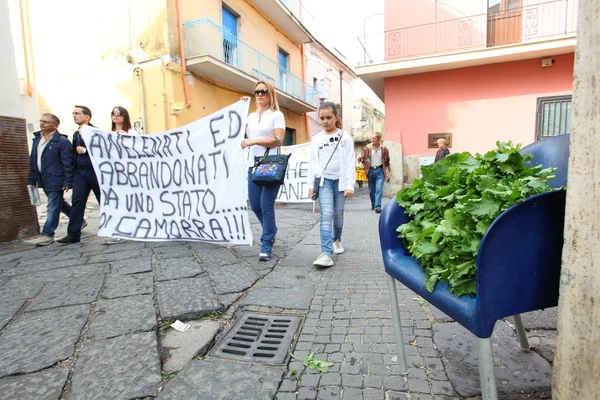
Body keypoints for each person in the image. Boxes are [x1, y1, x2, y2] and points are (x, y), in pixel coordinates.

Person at [241, 80, 285, 262]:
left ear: (270, 94)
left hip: (271, 165)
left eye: (264, 91)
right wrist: (240, 108)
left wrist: (254, 141)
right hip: (253, 165)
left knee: (266, 205)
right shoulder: (250, 117)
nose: (259, 94)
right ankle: (271, 229)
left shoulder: (276, 115)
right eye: (257, 91)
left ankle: (266, 243)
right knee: (255, 204)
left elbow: (278, 140)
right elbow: (235, 130)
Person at [308, 102, 356, 268]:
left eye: (329, 117)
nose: (325, 121)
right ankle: (326, 253)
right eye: (322, 118)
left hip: (341, 183)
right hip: (324, 182)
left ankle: (337, 240)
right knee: (326, 215)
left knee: (338, 214)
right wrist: (310, 185)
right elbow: (312, 163)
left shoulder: (345, 137)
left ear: (336, 117)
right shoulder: (316, 139)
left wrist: (350, 184)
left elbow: (351, 162)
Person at [27, 113, 74, 246]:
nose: (42, 124)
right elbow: (33, 160)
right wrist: (31, 179)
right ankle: (78, 220)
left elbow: (68, 162)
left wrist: (67, 181)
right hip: (43, 178)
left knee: (52, 206)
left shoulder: (62, 141)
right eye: (41, 121)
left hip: (56, 179)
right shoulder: (37, 139)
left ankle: (47, 234)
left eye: (46, 122)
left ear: (55, 125)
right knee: (58, 203)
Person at [57, 106, 97, 244]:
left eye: (77, 113)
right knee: (77, 202)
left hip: (95, 172)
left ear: (87, 116)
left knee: (104, 201)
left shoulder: (96, 132)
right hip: (80, 172)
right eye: (73, 113)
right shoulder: (75, 134)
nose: (74, 116)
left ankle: (117, 229)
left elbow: (102, 151)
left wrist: (85, 150)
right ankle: (73, 234)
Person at [105, 106, 139, 244]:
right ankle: (119, 229)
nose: (116, 116)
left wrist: (126, 138)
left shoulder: (131, 132)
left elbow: (138, 150)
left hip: (129, 173)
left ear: (125, 116)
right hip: (113, 174)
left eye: (119, 114)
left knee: (129, 202)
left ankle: (128, 229)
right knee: (116, 202)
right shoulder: (107, 133)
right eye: (113, 113)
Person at [361, 132, 391, 213]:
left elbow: (387, 161)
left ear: (379, 139)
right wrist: (365, 167)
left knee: (379, 189)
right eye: (371, 138)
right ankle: (373, 204)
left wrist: (389, 171)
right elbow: (362, 159)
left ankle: (377, 207)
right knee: (372, 190)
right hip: (370, 171)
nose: (372, 140)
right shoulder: (367, 148)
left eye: (374, 138)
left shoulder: (384, 149)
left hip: (380, 171)